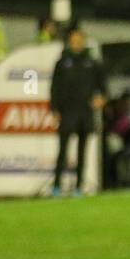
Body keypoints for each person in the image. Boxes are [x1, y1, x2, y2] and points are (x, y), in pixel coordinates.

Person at [49, 27, 105, 196]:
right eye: (74, 39)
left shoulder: (92, 62)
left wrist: (101, 98)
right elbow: (55, 87)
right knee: (63, 150)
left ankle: (79, 186)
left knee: (83, 150)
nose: (77, 42)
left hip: (85, 112)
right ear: (69, 41)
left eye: (79, 39)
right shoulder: (62, 62)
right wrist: (55, 108)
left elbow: (102, 86)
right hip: (67, 111)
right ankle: (57, 186)